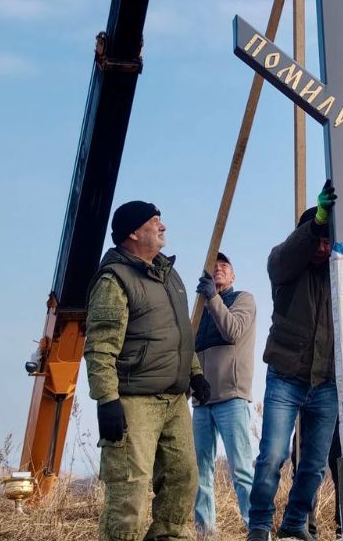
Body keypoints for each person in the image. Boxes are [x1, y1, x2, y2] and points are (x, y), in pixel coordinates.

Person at [246, 181, 343, 541]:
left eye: (330, 239)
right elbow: (286, 257)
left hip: (327, 382)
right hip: (286, 377)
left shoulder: (340, 274)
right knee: (272, 457)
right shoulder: (285, 266)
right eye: (318, 238)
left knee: (314, 466)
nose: (324, 246)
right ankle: (259, 525)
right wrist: (316, 223)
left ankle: (295, 522)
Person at [84, 200, 211, 541]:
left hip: (174, 401)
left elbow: (180, 334)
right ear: (134, 233)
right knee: (130, 494)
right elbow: (100, 346)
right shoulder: (114, 280)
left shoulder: (169, 275)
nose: (163, 227)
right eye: (155, 222)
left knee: (184, 479)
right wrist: (107, 399)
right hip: (134, 402)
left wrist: (195, 373)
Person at [193, 251, 257, 535]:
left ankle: (256, 529)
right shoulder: (200, 310)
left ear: (233, 276)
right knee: (200, 472)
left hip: (232, 397)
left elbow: (233, 331)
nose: (219, 269)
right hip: (202, 401)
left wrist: (213, 298)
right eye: (214, 266)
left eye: (224, 266)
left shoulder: (243, 299)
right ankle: (205, 533)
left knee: (241, 470)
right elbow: (189, 350)